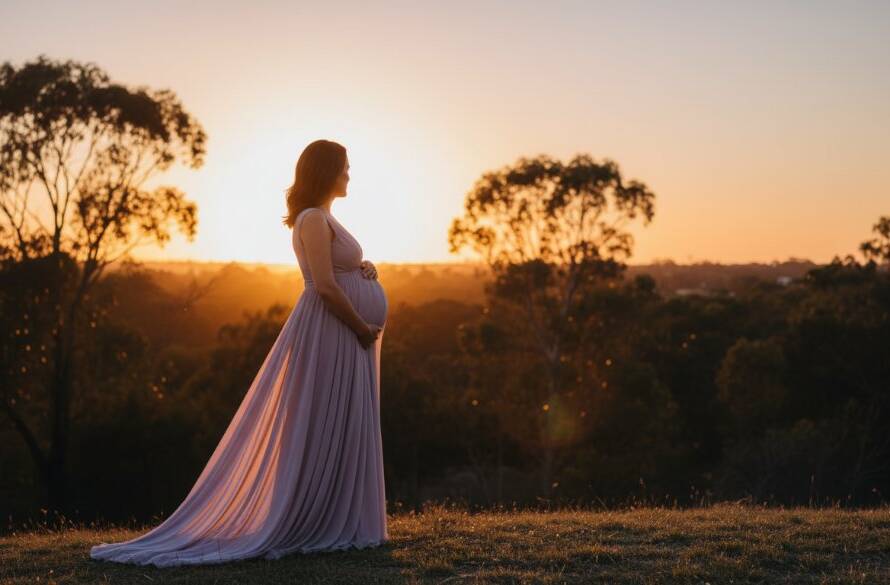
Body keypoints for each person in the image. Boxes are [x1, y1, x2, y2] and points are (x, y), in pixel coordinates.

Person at [90, 139, 390, 567]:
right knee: (322, 419)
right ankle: (314, 516)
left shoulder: (324, 218)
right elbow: (323, 286)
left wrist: (364, 269)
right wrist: (362, 327)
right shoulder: (311, 219)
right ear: (325, 171)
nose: (348, 175)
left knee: (342, 420)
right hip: (333, 332)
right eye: (344, 167)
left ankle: (340, 515)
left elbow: (336, 272)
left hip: (344, 335)